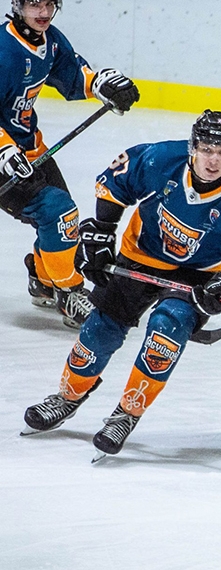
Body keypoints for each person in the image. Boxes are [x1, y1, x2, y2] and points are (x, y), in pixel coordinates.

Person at [22, 110, 221, 459]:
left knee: (166, 331)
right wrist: (102, 229)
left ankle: (126, 413)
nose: (213, 159)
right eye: (207, 148)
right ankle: (68, 396)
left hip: (198, 276)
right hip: (140, 257)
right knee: (101, 328)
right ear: (193, 147)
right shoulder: (163, 159)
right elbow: (118, 179)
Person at [0, 0, 139, 327]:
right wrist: (3, 150)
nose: (44, 12)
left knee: (62, 223)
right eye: (35, 3)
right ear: (17, 6)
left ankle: (44, 276)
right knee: (58, 213)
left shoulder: (50, 40)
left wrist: (101, 83)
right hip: (3, 157)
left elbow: (74, 75)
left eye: (50, 4)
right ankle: (69, 293)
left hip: (31, 151)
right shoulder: (3, 51)